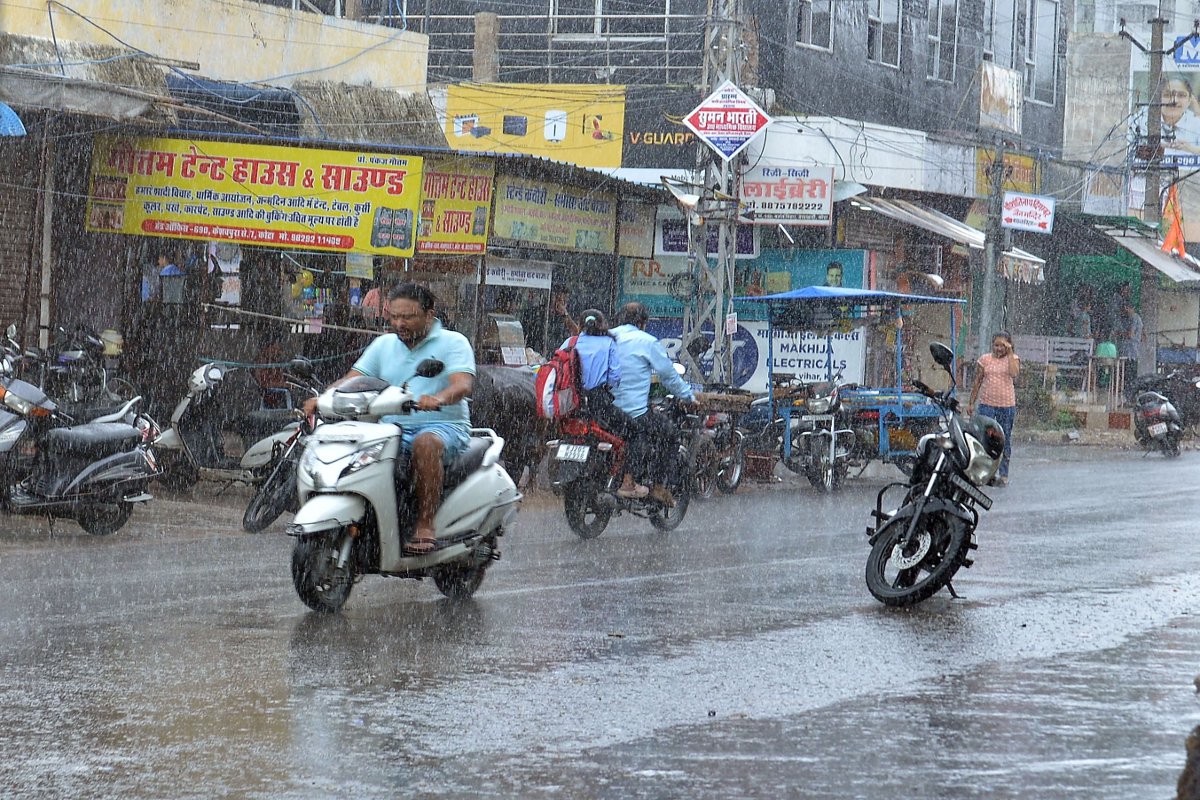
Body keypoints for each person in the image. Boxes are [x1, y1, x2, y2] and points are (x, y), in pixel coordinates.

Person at [305, 283, 475, 554]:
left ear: (429, 315)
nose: (399, 323)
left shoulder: (454, 342)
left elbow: (462, 384)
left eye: (407, 317)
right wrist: (324, 398)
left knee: (426, 444)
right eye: (394, 316)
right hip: (389, 429)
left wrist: (438, 398)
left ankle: (425, 525)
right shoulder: (383, 344)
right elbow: (354, 379)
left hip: (443, 426)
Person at [610, 302, 698, 507]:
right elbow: (668, 375)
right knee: (669, 434)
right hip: (632, 412)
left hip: (603, 409)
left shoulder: (607, 337)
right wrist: (688, 396)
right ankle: (657, 486)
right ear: (642, 323)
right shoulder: (646, 341)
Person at [569, 309, 643, 498]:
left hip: (571, 406)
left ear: (580, 324)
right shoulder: (609, 343)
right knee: (634, 430)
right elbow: (614, 377)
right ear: (603, 325)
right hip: (597, 404)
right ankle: (628, 483)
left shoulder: (571, 342)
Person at [968, 331, 1019, 487]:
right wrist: (971, 402)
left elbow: (1014, 373)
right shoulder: (985, 360)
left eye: (1002, 346)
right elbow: (977, 381)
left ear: (1009, 346)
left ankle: (1003, 473)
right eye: (996, 345)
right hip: (987, 405)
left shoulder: (1014, 359)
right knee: (984, 440)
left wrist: (1010, 353)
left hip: (1006, 406)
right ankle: (984, 473)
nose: (998, 349)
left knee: (1004, 440)